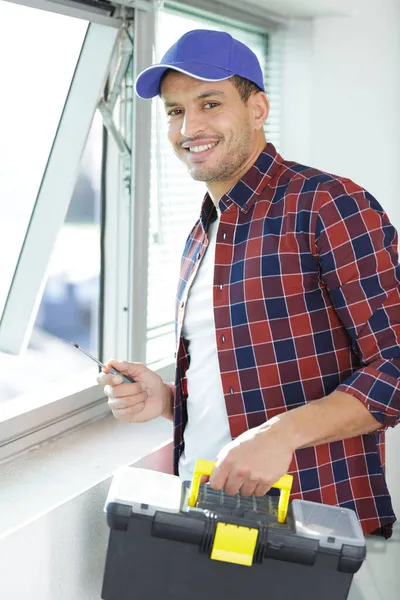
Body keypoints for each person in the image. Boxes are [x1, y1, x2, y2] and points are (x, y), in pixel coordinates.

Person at [97, 29, 400, 538]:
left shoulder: (327, 205)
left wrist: (281, 435)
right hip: (207, 517)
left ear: (257, 108)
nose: (189, 126)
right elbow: (249, 379)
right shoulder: (201, 234)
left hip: (308, 527)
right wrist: (171, 400)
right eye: (174, 111)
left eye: (209, 103)